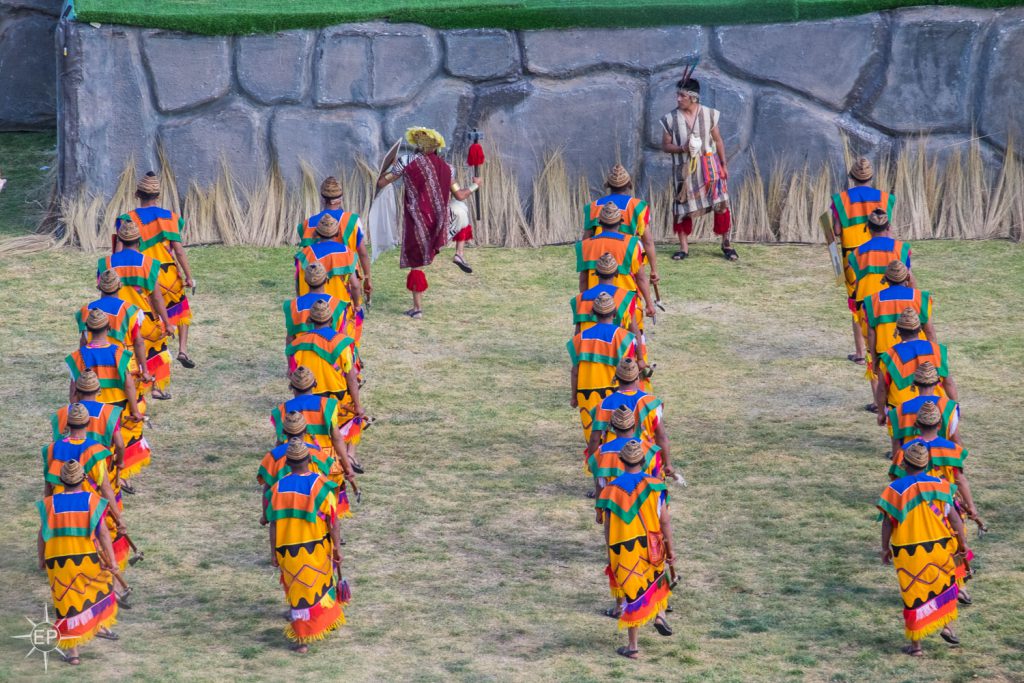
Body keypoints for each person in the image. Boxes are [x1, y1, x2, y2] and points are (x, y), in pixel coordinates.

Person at [375, 126, 481, 318]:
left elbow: (382, 183)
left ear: (417, 145)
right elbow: (460, 195)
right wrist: (475, 185)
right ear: (437, 148)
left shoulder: (405, 162)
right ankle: (459, 253)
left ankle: (417, 309)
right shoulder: (448, 168)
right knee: (461, 210)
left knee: (416, 264)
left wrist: (387, 168)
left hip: (417, 222)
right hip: (440, 223)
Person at [878, 441, 967, 656]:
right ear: (927, 465)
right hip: (941, 545)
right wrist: (963, 544)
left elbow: (888, 522)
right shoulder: (942, 486)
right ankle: (947, 627)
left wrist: (884, 549)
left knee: (914, 595)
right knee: (945, 587)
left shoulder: (894, 490)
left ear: (905, 465)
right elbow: (954, 519)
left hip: (909, 551)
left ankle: (916, 647)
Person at [596, 439, 676, 659]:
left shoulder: (611, 491)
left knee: (632, 594)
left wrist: (609, 552)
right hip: (652, 544)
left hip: (623, 550)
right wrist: (671, 550)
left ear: (621, 461)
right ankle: (659, 615)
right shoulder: (656, 485)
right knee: (655, 579)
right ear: (643, 460)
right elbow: (665, 522)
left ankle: (633, 647)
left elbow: (608, 527)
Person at [36, 460, 119, 665]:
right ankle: (97, 626)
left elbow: (41, 535)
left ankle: (73, 654)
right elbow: (103, 534)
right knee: (102, 588)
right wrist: (112, 560)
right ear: (83, 479)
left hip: (57, 561)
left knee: (66, 606)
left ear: (61, 481)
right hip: (87, 558)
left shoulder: (49, 504)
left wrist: (41, 558)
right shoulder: (93, 501)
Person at [267, 440, 346, 652]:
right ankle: (320, 626)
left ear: (288, 462)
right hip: (318, 547)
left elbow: (273, 524)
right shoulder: (321, 485)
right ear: (309, 460)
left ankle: (303, 640)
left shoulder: (277, 489)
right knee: (321, 585)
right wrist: (337, 547)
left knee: (298, 594)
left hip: (288, 551)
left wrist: (273, 552)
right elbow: (333, 521)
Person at [115, 171, 196, 369]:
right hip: (169, 275)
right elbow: (178, 251)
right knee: (181, 310)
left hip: (144, 275)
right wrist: (189, 276)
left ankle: (154, 366)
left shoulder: (127, 220)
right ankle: (183, 349)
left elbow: (118, 255)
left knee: (151, 319)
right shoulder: (171, 217)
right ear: (158, 196)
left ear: (137, 194)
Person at [43, 404, 129, 571]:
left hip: (58, 509)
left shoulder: (51, 449)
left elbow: (47, 485)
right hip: (87, 508)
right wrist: (119, 518)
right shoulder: (95, 450)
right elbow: (105, 488)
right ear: (88, 422)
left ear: (67, 423)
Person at [660, 76, 736, 261]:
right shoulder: (670, 119)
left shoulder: (709, 114)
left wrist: (724, 165)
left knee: (721, 203)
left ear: (693, 97)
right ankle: (683, 248)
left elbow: (718, 140)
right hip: (684, 171)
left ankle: (727, 244)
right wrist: (682, 148)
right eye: (677, 95)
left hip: (710, 167)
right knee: (682, 207)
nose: (678, 99)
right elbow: (665, 146)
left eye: (682, 95)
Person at [100, 217, 175, 399]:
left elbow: (103, 293)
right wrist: (166, 321)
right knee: (155, 349)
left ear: (119, 240)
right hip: (144, 318)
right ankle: (155, 387)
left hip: (116, 318)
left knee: (124, 357)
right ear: (139, 241)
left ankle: (125, 395)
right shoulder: (149, 264)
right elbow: (156, 297)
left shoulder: (106, 263)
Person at [831, 158, 896, 363]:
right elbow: (888, 228)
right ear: (871, 177)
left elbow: (836, 231)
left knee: (858, 304)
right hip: (883, 255)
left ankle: (861, 353)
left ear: (851, 178)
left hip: (853, 259)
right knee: (884, 299)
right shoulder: (886, 199)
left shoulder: (840, 200)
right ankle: (888, 347)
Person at [576, 205, 655, 373]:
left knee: (599, 345)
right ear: (621, 222)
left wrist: (584, 299)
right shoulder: (632, 245)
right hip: (627, 301)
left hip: (593, 301)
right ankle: (633, 378)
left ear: (599, 222)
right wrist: (649, 303)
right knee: (630, 343)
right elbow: (641, 277)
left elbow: (583, 279)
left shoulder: (585, 245)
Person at [271, 365, 362, 482]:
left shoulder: (281, 410)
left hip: (293, 466)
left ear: (291, 386)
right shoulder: (328, 405)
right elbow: (337, 438)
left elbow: (280, 443)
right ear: (315, 384)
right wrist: (347, 466)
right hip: (325, 465)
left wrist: (274, 468)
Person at [568, 292, 638, 444]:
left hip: (586, 395)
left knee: (592, 439)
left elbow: (575, 371)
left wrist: (574, 396)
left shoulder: (579, 339)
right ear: (614, 313)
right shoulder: (625, 337)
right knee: (617, 442)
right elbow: (630, 369)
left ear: (593, 313)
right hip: (615, 394)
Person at [588, 358, 673, 477]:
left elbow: (594, 439)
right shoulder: (651, 402)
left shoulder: (604, 404)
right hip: (646, 459)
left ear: (616, 377)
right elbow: (661, 436)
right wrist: (668, 464)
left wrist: (592, 462)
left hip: (614, 461)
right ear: (637, 377)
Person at [258, 412, 341, 526]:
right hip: (314, 518)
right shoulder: (318, 453)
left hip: (284, 517)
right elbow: (325, 485)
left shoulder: (272, 457)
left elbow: (267, 489)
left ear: (284, 432)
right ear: (305, 430)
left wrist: (265, 516)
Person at [584, 165, 659, 285]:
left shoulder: (592, 207)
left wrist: (586, 270)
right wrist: (654, 270)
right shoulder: (638, 206)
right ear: (629, 184)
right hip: (628, 259)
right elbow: (648, 241)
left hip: (599, 261)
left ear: (608, 184)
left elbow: (586, 240)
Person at [293, 215, 362, 343]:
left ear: (317, 232)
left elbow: (297, 283)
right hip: (338, 309)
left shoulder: (304, 254)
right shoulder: (347, 253)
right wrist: (357, 305)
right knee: (338, 342)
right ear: (337, 233)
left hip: (309, 307)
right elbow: (355, 285)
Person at [875, 309, 957, 414]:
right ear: (920, 329)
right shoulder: (936, 350)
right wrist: (954, 407)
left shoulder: (890, 356)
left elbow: (882, 388)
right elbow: (948, 382)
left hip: (902, 411)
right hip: (934, 409)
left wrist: (881, 413)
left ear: (898, 331)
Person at [864, 260, 934, 375]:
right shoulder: (921, 298)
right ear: (907, 277)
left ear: (886, 278)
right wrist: (934, 355)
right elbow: (929, 330)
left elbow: (871, 334)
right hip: (918, 353)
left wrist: (875, 359)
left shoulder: (872, 301)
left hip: (886, 356)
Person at [588, 407, 662, 500]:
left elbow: (600, 486)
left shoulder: (601, 451)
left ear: (612, 427)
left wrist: (599, 512)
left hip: (614, 505)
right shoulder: (651, 449)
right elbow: (658, 481)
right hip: (643, 504)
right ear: (634, 426)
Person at [887, 362, 961, 455]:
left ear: (914, 383)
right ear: (937, 382)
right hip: (940, 462)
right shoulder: (949, 407)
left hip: (911, 464)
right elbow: (956, 441)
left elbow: (896, 446)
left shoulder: (898, 411)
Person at [284, 262, 344, 371]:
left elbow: (290, 339)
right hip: (330, 364)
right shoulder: (337, 305)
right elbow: (342, 338)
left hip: (303, 362)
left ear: (306, 281)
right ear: (326, 279)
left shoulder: (293, 305)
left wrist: (290, 367)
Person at [571, 253, 640, 337]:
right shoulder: (626, 298)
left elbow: (577, 334)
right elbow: (634, 332)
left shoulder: (579, 299)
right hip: (616, 347)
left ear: (596, 272)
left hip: (588, 348)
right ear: (616, 273)